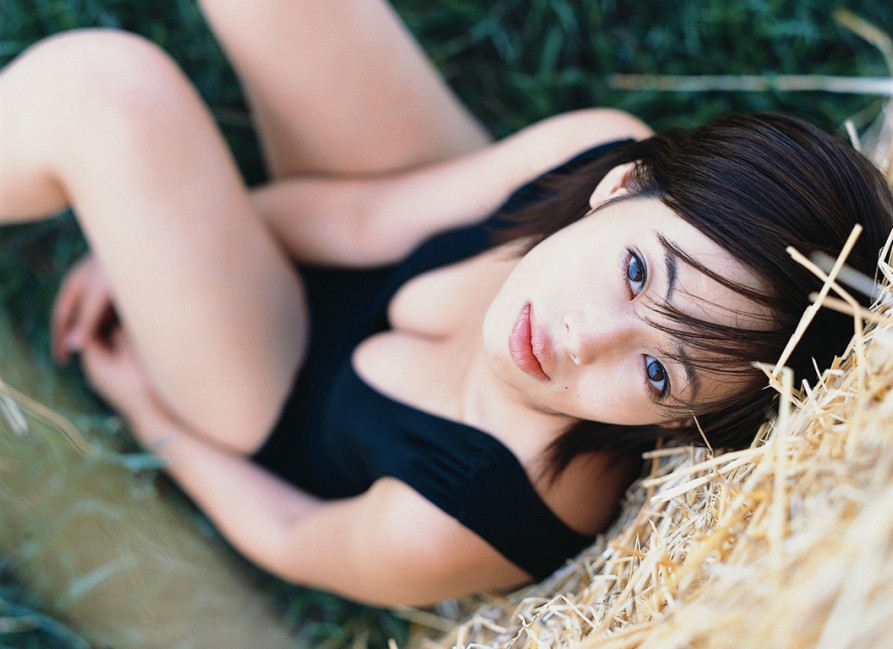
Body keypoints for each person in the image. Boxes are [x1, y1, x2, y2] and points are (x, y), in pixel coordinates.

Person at [0, 0, 890, 607]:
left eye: (658, 372)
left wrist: (149, 406)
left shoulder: (476, 510)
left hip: (267, 388)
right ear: (622, 185)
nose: (586, 339)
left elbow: (291, 533)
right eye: (635, 273)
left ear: (679, 426)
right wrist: (167, 235)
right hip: (390, 234)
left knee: (104, 92)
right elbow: (359, 220)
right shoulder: (593, 150)